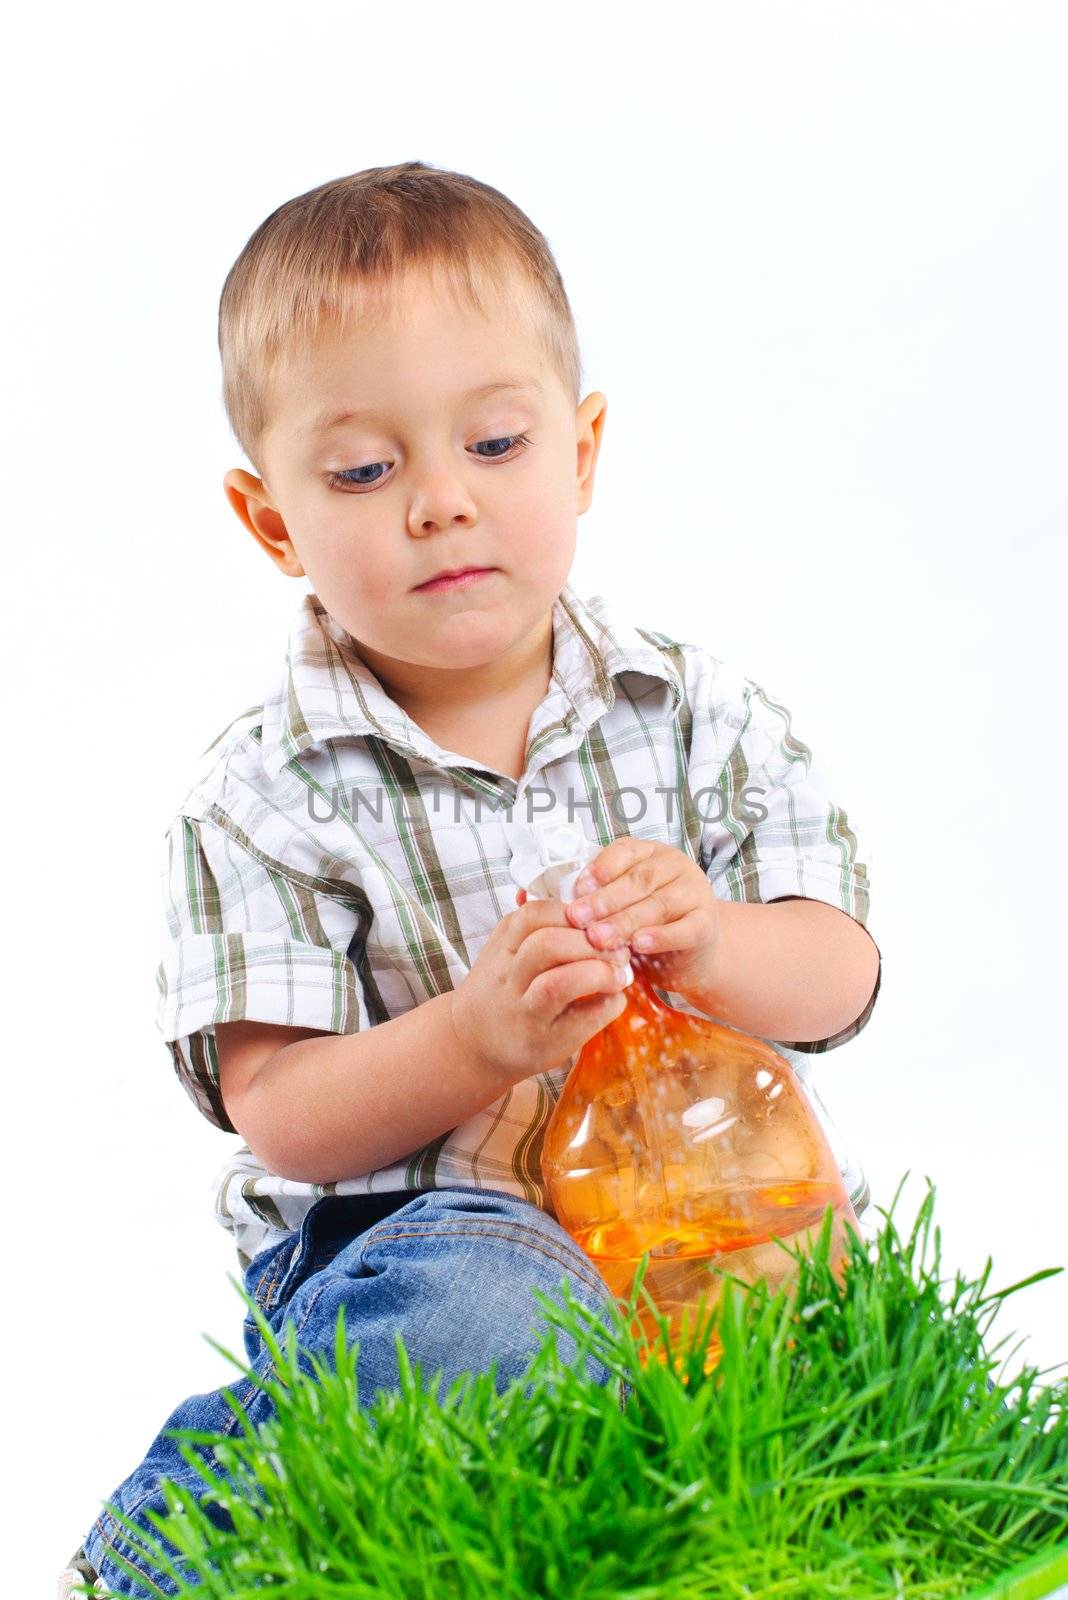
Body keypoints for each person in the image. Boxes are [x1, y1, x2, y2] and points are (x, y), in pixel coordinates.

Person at [61, 159, 882, 1597]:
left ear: (583, 449)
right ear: (273, 523)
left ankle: (658, 1505)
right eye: (368, 472)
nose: (441, 503)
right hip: (429, 1230)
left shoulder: (693, 713)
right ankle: (195, 1520)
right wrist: (473, 1041)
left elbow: (841, 979)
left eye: (495, 443)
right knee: (494, 1328)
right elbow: (285, 1116)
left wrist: (716, 941)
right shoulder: (267, 795)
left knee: (827, 1327)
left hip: (692, 1205)